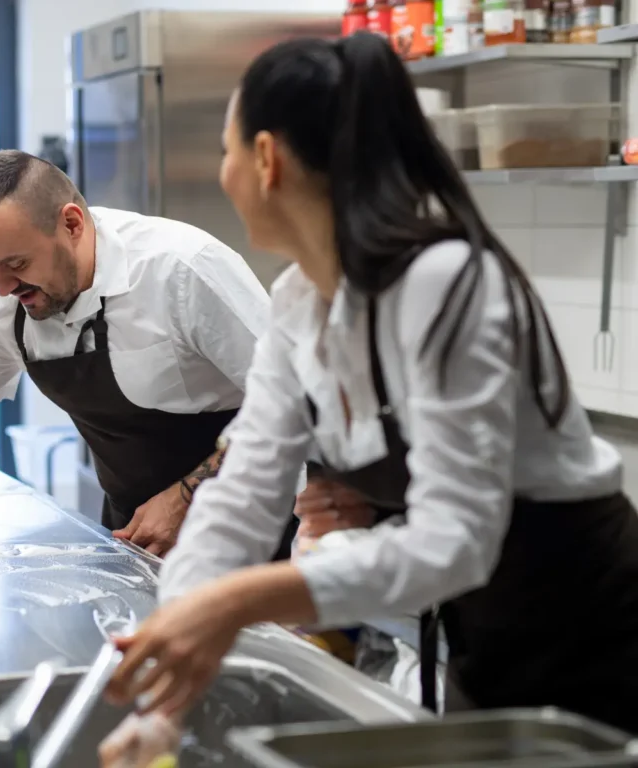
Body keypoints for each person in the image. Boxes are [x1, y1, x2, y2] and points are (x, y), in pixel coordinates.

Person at [105, 33, 638, 733]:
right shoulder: (300, 302)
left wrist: (235, 601)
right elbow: (243, 493)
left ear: (266, 159)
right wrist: (170, 661)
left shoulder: (443, 283)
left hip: (591, 626)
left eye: (226, 151)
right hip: (481, 626)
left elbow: (454, 539)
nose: (224, 172)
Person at [0, 150, 298, 560]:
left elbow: (294, 403)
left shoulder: (182, 269)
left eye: (17, 264)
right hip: (134, 529)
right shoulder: (0, 296)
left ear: (73, 224)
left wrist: (184, 498)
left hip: (251, 520)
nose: (2, 287)